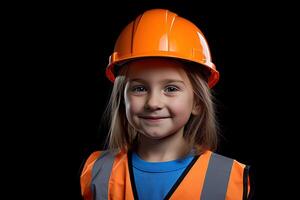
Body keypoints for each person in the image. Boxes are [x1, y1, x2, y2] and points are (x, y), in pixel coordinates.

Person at [80, 8, 252, 200]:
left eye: (171, 89)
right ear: (122, 98)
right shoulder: (96, 171)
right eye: (139, 88)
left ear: (197, 102)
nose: (153, 103)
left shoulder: (233, 179)